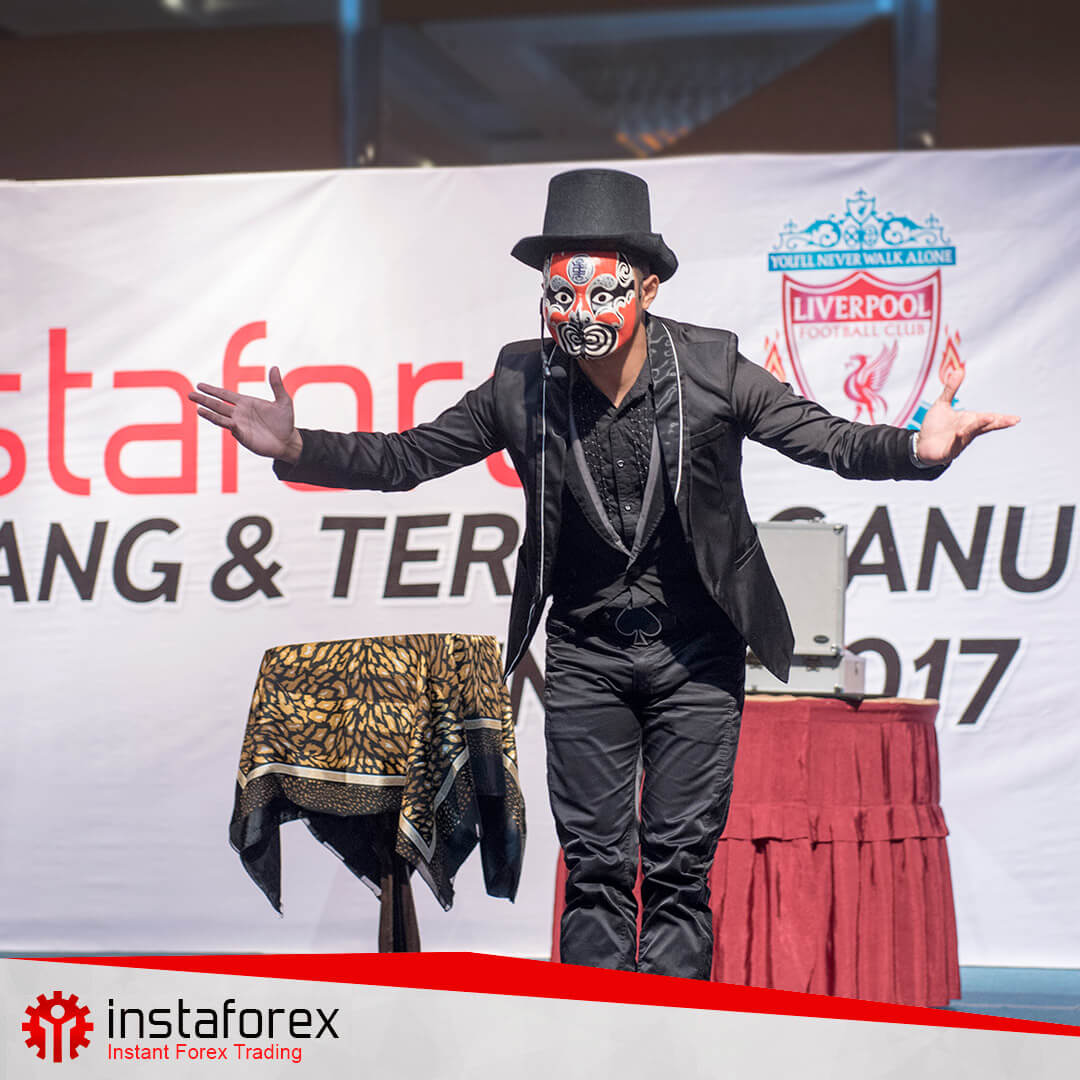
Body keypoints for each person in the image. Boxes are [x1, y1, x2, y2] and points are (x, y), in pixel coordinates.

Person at [190, 168, 1019, 979]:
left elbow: (827, 439)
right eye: (560, 291)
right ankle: (597, 1028)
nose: (578, 311)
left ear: (647, 288)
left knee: (680, 865)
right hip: (586, 653)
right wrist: (299, 447)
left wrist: (918, 449)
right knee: (594, 865)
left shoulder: (714, 368)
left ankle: (670, 1030)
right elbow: (409, 457)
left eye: (601, 290)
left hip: (697, 653)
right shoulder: (521, 382)